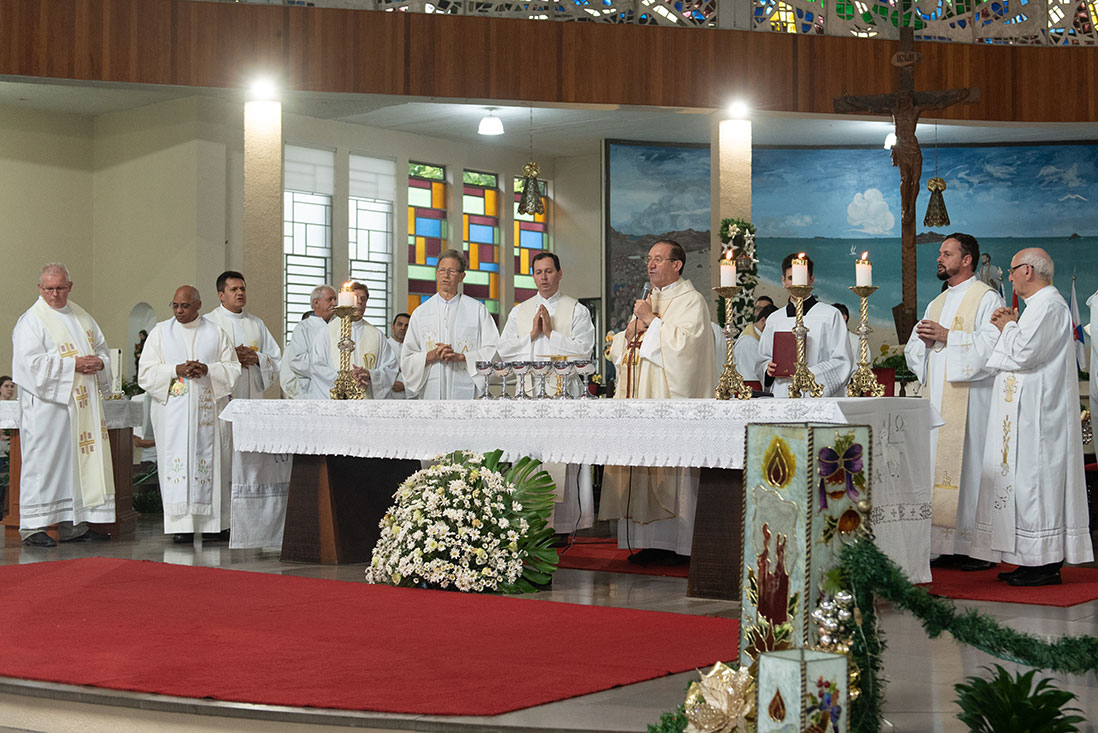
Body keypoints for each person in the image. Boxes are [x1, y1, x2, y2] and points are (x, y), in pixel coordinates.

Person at [971, 248, 1094, 586]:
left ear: (1028, 270)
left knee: (1036, 486)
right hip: (1024, 414)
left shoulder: (1050, 306)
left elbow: (1024, 353)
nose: (1008, 277)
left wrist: (1007, 326)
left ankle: (1045, 563)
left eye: (1011, 271)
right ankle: (1029, 559)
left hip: (1040, 416)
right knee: (1023, 487)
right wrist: (1009, 326)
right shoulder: (1037, 308)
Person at [599, 240, 716, 563]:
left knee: (670, 467)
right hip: (640, 399)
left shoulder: (692, 301)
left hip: (669, 402)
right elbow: (622, 349)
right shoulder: (649, 300)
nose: (651, 265)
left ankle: (676, 546)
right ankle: (644, 542)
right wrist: (634, 329)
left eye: (659, 259)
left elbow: (686, 349)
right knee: (641, 462)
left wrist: (650, 321)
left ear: (677, 265)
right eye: (649, 259)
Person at [903, 234, 1004, 570]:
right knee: (938, 466)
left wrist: (949, 337)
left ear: (967, 260)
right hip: (940, 401)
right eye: (939, 254)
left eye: (947, 254)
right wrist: (925, 345)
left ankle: (975, 547)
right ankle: (944, 545)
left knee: (971, 464)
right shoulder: (938, 302)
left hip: (972, 403)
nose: (939, 259)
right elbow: (914, 349)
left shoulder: (987, 297)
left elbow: (993, 346)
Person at [11, 263, 114, 546]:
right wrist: (74, 365)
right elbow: (28, 365)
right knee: (44, 464)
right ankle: (33, 526)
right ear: (39, 288)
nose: (54, 294)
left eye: (59, 288)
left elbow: (102, 348)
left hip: (80, 409)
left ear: (70, 286)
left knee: (75, 466)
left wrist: (100, 362)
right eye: (48, 289)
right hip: (48, 409)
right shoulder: (32, 321)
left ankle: (74, 525)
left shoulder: (82, 317)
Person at [497, 251, 596, 532]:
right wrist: (530, 335)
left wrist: (552, 334)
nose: (544, 277)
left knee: (560, 459)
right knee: (529, 458)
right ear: (533, 275)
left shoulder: (576, 309)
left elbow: (584, 352)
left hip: (562, 399)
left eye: (549, 271)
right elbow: (503, 352)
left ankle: (562, 527)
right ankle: (527, 520)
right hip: (527, 398)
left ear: (560, 273)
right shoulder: (520, 311)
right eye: (538, 272)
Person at [139, 286, 241, 544]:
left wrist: (207, 369)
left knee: (213, 462)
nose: (179, 311)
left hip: (207, 412)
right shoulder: (161, 332)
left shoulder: (216, 332)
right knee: (178, 461)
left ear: (198, 305)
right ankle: (180, 524)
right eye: (174, 305)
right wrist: (176, 369)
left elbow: (232, 369)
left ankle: (214, 525)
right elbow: (146, 373)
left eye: (184, 306)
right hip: (173, 415)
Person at [400, 250, 499, 400]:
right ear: (436, 273)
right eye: (442, 270)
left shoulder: (477, 310)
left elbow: (494, 350)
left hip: (466, 389)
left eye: (452, 271)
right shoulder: (421, 313)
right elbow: (407, 359)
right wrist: (431, 356)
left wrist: (462, 357)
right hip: (430, 391)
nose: (446, 275)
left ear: (461, 276)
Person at [756, 253, 853, 398]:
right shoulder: (774, 319)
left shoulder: (830, 315)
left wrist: (810, 375)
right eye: (791, 278)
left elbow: (842, 361)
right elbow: (763, 359)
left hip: (817, 395)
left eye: (801, 277)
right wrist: (767, 368)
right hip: (783, 395)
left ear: (811, 279)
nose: (796, 284)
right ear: (783, 281)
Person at [306, 282, 397, 399]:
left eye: (363, 299)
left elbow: (390, 367)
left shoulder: (377, 335)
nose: (359, 301)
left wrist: (370, 375)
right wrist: (344, 378)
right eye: (355, 297)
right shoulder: (327, 332)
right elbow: (317, 366)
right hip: (337, 400)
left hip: (365, 401)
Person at [205, 270, 281, 400]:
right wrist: (232, 356)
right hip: (221, 393)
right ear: (221, 295)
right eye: (234, 289)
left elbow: (275, 357)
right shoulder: (209, 322)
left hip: (251, 391)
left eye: (242, 289)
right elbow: (202, 358)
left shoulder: (256, 323)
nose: (240, 293)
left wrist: (257, 358)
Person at [280, 285, 337, 399]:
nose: (334, 304)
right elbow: (297, 361)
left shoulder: (339, 326)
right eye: (329, 299)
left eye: (335, 299)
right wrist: (327, 365)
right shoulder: (303, 328)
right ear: (316, 303)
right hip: (313, 391)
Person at [733, 303, 776, 389]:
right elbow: (755, 373)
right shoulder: (749, 341)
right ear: (763, 321)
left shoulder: (756, 337)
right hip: (750, 388)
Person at [387, 313, 410, 399]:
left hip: (407, 396)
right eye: (399, 324)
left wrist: (405, 386)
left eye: (407, 326)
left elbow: (418, 373)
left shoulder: (415, 349)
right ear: (392, 327)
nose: (403, 328)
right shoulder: (383, 346)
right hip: (386, 396)